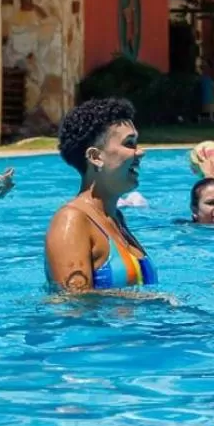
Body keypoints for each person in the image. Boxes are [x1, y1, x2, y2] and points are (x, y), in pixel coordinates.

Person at [44, 97, 157, 292]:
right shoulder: (72, 221)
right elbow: (71, 310)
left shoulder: (116, 218)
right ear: (96, 157)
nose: (140, 153)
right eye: (129, 144)